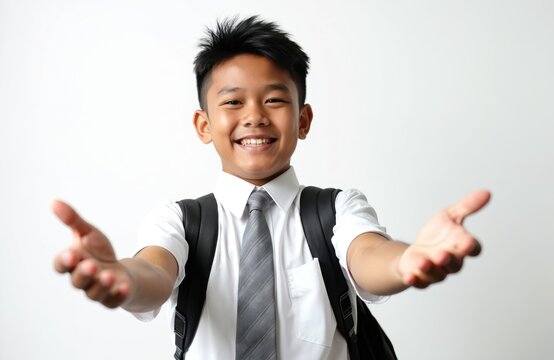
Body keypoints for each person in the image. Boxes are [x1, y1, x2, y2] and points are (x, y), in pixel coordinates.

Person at [52, 15, 491, 359]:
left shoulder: (337, 209)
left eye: (275, 99)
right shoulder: (181, 220)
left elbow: (368, 255)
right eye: (232, 101)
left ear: (303, 120)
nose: (255, 116)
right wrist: (121, 276)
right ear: (204, 125)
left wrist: (407, 261)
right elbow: (154, 271)